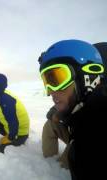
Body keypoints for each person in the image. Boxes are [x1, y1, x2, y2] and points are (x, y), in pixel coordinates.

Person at [38, 39, 107, 179]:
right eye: (47, 81)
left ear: (87, 77)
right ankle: (51, 163)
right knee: (50, 125)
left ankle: (63, 167)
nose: (50, 91)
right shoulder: (84, 103)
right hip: (76, 131)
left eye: (57, 78)